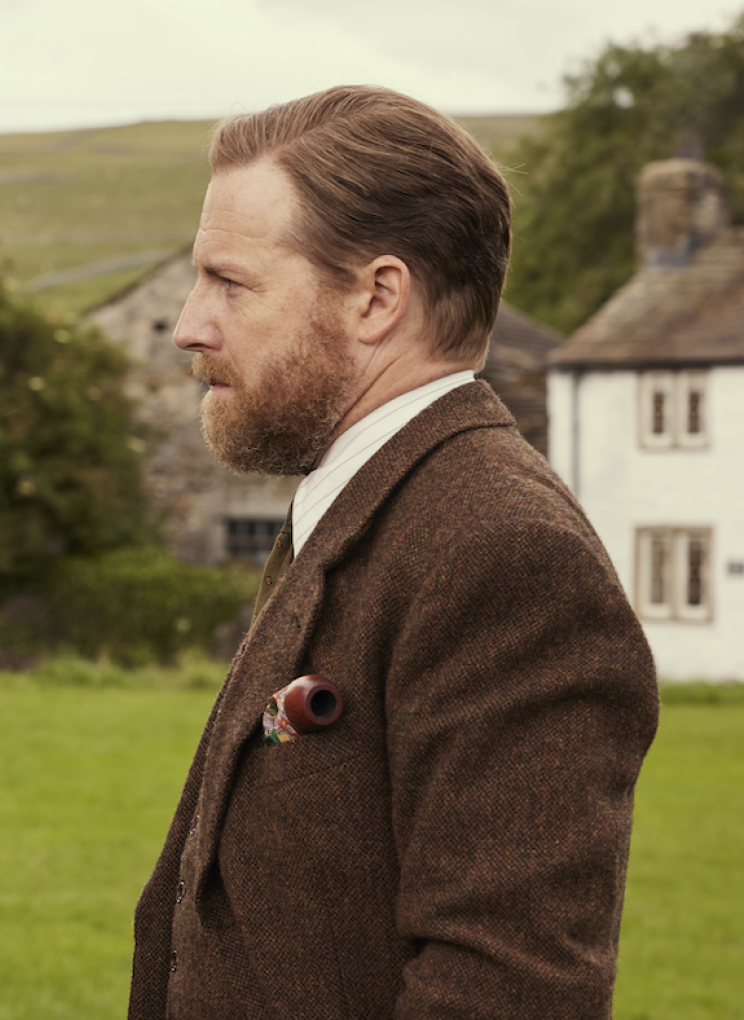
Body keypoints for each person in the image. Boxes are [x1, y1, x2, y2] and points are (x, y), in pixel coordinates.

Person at [125, 84, 659, 1019]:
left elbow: (507, 989)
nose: (188, 326)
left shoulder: (503, 551)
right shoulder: (375, 507)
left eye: (231, 283)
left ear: (376, 298)